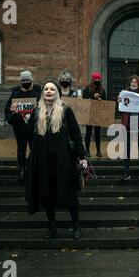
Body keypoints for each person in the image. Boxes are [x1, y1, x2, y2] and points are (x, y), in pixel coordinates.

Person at [17, 81, 87, 240]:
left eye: (52, 89)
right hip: (42, 160)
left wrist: (82, 156)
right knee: (46, 194)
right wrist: (17, 116)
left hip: (63, 160)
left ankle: (76, 226)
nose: (48, 91)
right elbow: (27, 132)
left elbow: (76, 134)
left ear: (57, 93)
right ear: (43, 93)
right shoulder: (36, 111)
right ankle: (52, 228)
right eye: (46, 89)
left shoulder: (66, 110)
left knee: (69, 193)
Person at [5, 70, 42, 181]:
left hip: (33, 128)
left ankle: (32, 168)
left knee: (34, 149)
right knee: (21, 149)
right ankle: (22, 169)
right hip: (19, 128)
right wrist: (13, 115)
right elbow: (8, 110)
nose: (25, 82)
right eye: (23, 80)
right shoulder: (15, 94)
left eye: (27, 80)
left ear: (31, 80)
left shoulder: (37, 93)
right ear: (20, 82)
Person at [119, 75, 139, 181]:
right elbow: (121, 110)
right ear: (129, 83)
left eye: (136, 82)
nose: (134, 83)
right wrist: (119, 102)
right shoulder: (124, 94)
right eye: (132, 82)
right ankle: (126, 172)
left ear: (138, 84)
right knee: (127, 149)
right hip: (128, 123)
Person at [83, 72, 106, 157]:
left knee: (97, 133)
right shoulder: (87, 89)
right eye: (95, 79)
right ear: (92, 80)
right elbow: (84, 100)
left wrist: (101, 99)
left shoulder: (102, 90)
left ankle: (98, 151)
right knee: (88, 132)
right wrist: (93, 97)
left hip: (98, 113)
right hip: (89, 113)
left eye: (98, 79)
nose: (97, 80)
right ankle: (87, 150)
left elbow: (106, 102)